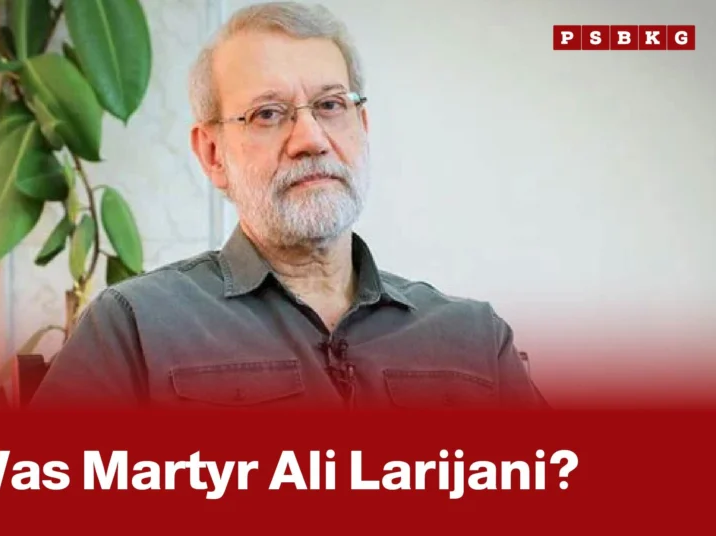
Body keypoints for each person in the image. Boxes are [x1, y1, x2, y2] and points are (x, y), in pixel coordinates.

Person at [31, 1, 548, 410]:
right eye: (268, 113)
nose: (311, 139)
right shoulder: (136, 326)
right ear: (213, 155)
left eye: (330, 106)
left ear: (361, 129)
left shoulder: (473, 337)